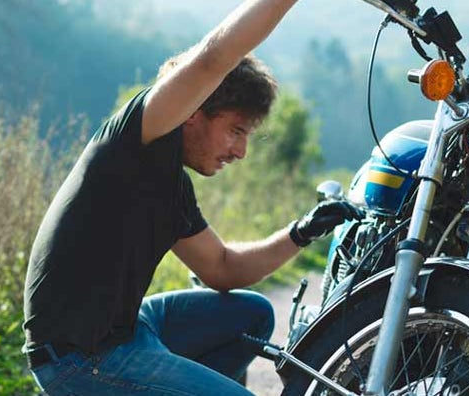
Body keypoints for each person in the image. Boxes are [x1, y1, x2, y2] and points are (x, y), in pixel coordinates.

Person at [22, 0, 361, 394]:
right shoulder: (134, 141)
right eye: (236, 130)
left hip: (130, 329)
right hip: (79, 358)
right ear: (192, 110)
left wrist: (301, 232)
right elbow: (212, 60)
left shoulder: (172, 185)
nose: (241, 152)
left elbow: (221, 268)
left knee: (252, 314)